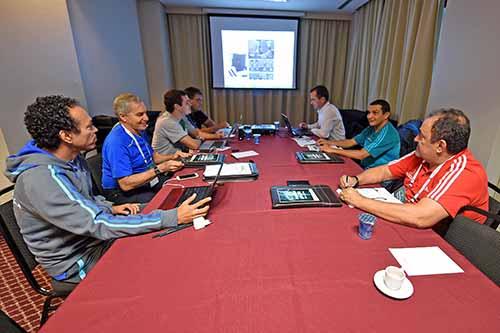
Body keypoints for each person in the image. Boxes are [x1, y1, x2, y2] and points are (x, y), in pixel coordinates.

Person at [4, 95, 210, 284]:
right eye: (89, 127)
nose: (95, 131)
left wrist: (111, 208)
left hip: (94, 240)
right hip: (77, 260)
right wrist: (173, 217)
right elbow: (97, 224)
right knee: (162, 260)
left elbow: (87, 199)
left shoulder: (73, 158)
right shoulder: (42, 178)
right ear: (66, 136)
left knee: (166, 235)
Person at [338, 108, 489, 233]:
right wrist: (356, 180)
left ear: (440, 147)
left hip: (439, 239)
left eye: (422, 136)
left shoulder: (464, 173)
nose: (415, 139)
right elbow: (385, 171)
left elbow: (421, 217)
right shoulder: (423, 154)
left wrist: (360, 200)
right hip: (406, 216)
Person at [101, 93, 188, 204]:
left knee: (178, 186)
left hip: (144, 180)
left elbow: (152, 157)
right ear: (123, 117)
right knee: (163, 201)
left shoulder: (138, 129)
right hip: (121, 191)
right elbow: (125, 184)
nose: (146, 118)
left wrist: (173, 156)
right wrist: (160, 169)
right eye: (140, 115)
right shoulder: (116, 142)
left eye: (145, 113)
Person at [318, 99, 400, 169]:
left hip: (381, 177)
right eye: (368, 112)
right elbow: (351, 142)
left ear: (386, 115)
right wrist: (329, 143)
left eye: (375, 113)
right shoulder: (372, 128)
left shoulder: (388, 133)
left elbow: (362, 154)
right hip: (365, 168)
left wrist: (332, 150)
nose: (369, 116)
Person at [152, 89, 223, 156]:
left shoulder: (182, 116)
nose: (190, 104)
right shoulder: (167, 121)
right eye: (186, 103)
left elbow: (196, 133)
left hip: (180, 155)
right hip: (167, 161)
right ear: (177, 106)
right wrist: (200, 138)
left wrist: (216, 136)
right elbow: (193, 145)